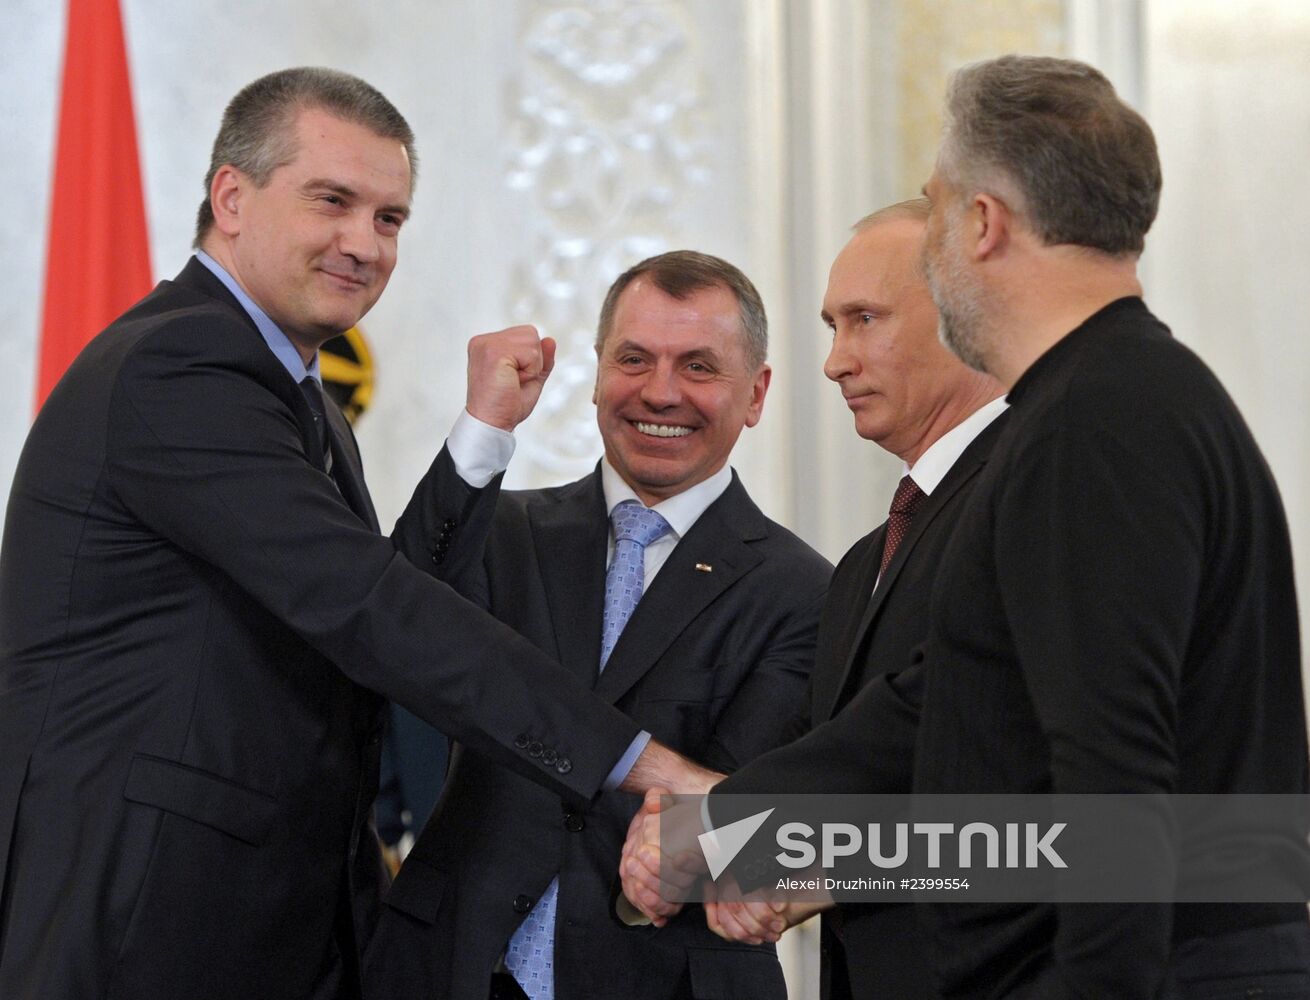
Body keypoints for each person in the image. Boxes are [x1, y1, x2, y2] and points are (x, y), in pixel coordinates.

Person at [0, 67, 700, 1000]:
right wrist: (637, 763)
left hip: (266, 923)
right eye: (333, 201)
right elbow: (372, 607)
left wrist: (482, 434)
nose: (363, 244)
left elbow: (362, 607)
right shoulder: (180, 365)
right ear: (231, 198)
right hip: (145, 926)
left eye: (389, 218)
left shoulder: (298, 393)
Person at [627, 54, 1310, 999]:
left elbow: (1117, 788)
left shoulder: (1095, 420)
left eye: (935, 206)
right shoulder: (1118, 399)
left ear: (982, 223)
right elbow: (954, 700)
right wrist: (732, 829)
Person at [362, 251, 831, 1000]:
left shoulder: (803, 591)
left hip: (662, 978)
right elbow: (388, 618)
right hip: (453, 967)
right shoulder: (505, 530)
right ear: (597, 373)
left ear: (757, 393)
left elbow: (740, 805)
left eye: (699, 367)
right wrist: (484, 427)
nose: (660, 391)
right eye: (634, 358)